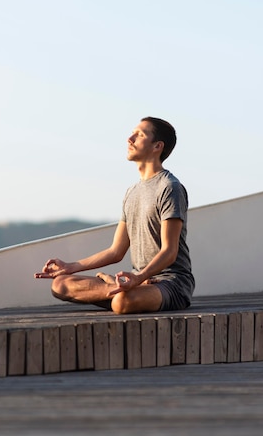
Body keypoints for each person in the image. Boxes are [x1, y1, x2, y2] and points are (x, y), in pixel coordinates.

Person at [34, 117, 194, 314]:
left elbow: (170, 252)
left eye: (140, 135)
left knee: (122, 303)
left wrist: (139, 277)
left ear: (157, 146)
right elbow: (116, 251)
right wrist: (70, 267)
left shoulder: (170, 188)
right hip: (136, 280)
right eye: (132, 133)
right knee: (60, 284)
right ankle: (118, 289)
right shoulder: (131, 192)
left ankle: (121, 290)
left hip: (171, 284)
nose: (130, 138)